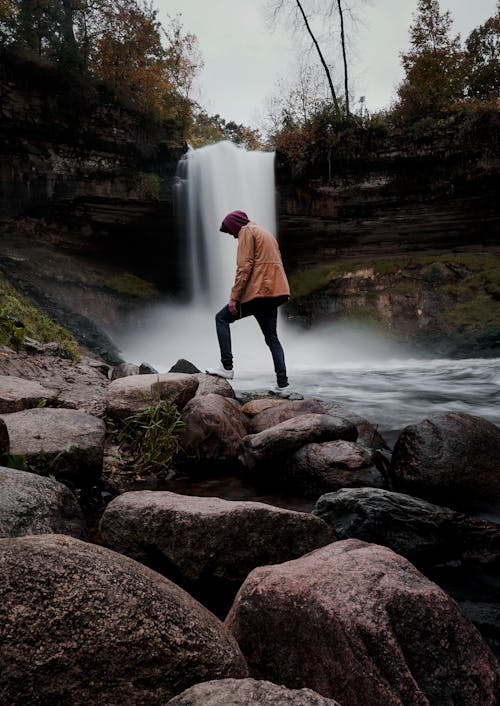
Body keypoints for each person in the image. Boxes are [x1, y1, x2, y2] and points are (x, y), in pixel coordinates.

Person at [206, 210, 292, 396]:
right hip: (274, 292)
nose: (233, 235)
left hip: (258, 293)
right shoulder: (265, 233)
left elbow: (244, 267)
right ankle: (283, 385)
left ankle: (227, 366)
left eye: (231, 231)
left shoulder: (246, 231)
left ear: (236, 225)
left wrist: (234, 298)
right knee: (272, 339)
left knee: (221, 318)